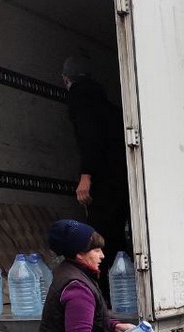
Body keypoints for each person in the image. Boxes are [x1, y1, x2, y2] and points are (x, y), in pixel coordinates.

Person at [62, 55, 130, 298]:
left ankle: (101, 294)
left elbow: (91, 138)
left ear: (66, 80)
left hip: (104, 182)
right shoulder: (104, 102)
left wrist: (86, 176)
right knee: (116, 236)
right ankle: (120, 291)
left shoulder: (81, 99)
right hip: (120, 181)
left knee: (98, 238)